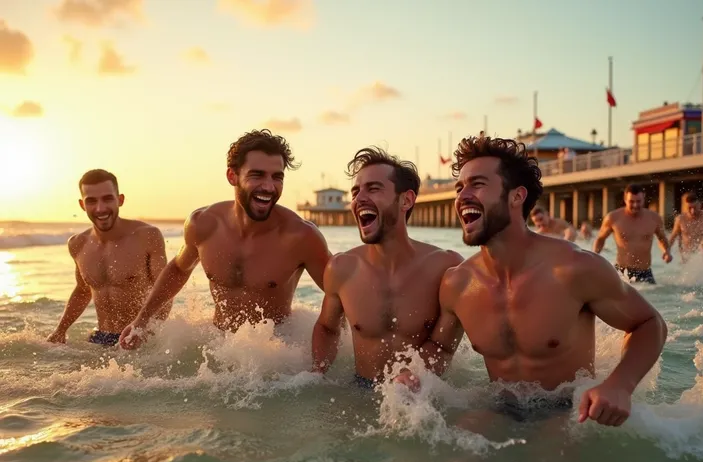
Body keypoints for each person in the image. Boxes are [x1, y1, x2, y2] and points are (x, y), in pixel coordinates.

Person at [396, 135, 667, 427]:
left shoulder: (573, 268)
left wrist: (620, 385)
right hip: (499, 406)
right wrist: (415, 373)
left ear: (516, 196)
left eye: (477, 184)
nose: (462, 196)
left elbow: (650, 324)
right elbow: (441, 347)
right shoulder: (458, 283)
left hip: (568, 411)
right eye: (459, 188)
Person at [119, 129, 331, 349]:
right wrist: (142, 320)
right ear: (232, 176)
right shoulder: (203, 224)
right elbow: (179, 269)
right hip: (218, 346)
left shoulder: (301, 236)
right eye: (257, 175)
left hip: (275, 354)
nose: (269, 187)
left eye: (277, 177)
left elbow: (341, 291)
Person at [311, 147, 463, 388]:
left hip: (424, 397)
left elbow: (443, 345)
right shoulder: (342, 268)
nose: (359, 199)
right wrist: (317, 375)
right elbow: (327, 328)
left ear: (406, 199)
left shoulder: (446, 267)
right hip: (360, 390)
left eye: (373, 189)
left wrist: (417, 374)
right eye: (355, 192)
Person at [47, 169, 170, 346]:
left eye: (107, 199)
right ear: (82, 205)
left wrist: (144, 331)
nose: (100, 208)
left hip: (141, 338)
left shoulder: (147, 236)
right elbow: (82, 290)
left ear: (120, 200)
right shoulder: (78, 243)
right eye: (91, 201)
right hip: (100, 338)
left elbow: (165, 291)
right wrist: (60, 330)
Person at [593, 186, 672, 284]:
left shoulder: (654, 218)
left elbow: (662, 238)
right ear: (625, 199)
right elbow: (600, 239)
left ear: (644, 198)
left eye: (638, 201)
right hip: (622, 272)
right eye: (631, 201)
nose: (635, 205)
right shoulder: (613, 218)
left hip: (645, 273)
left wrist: (666, 251)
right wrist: (595, 256)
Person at [668, 192, 703, 263]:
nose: (692, 211)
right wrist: (667, 252)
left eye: (695, 208)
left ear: (700, 204)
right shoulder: (680, 219)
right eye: (689, 208)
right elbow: (673, 237)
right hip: (686, 256)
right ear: (684, 206)